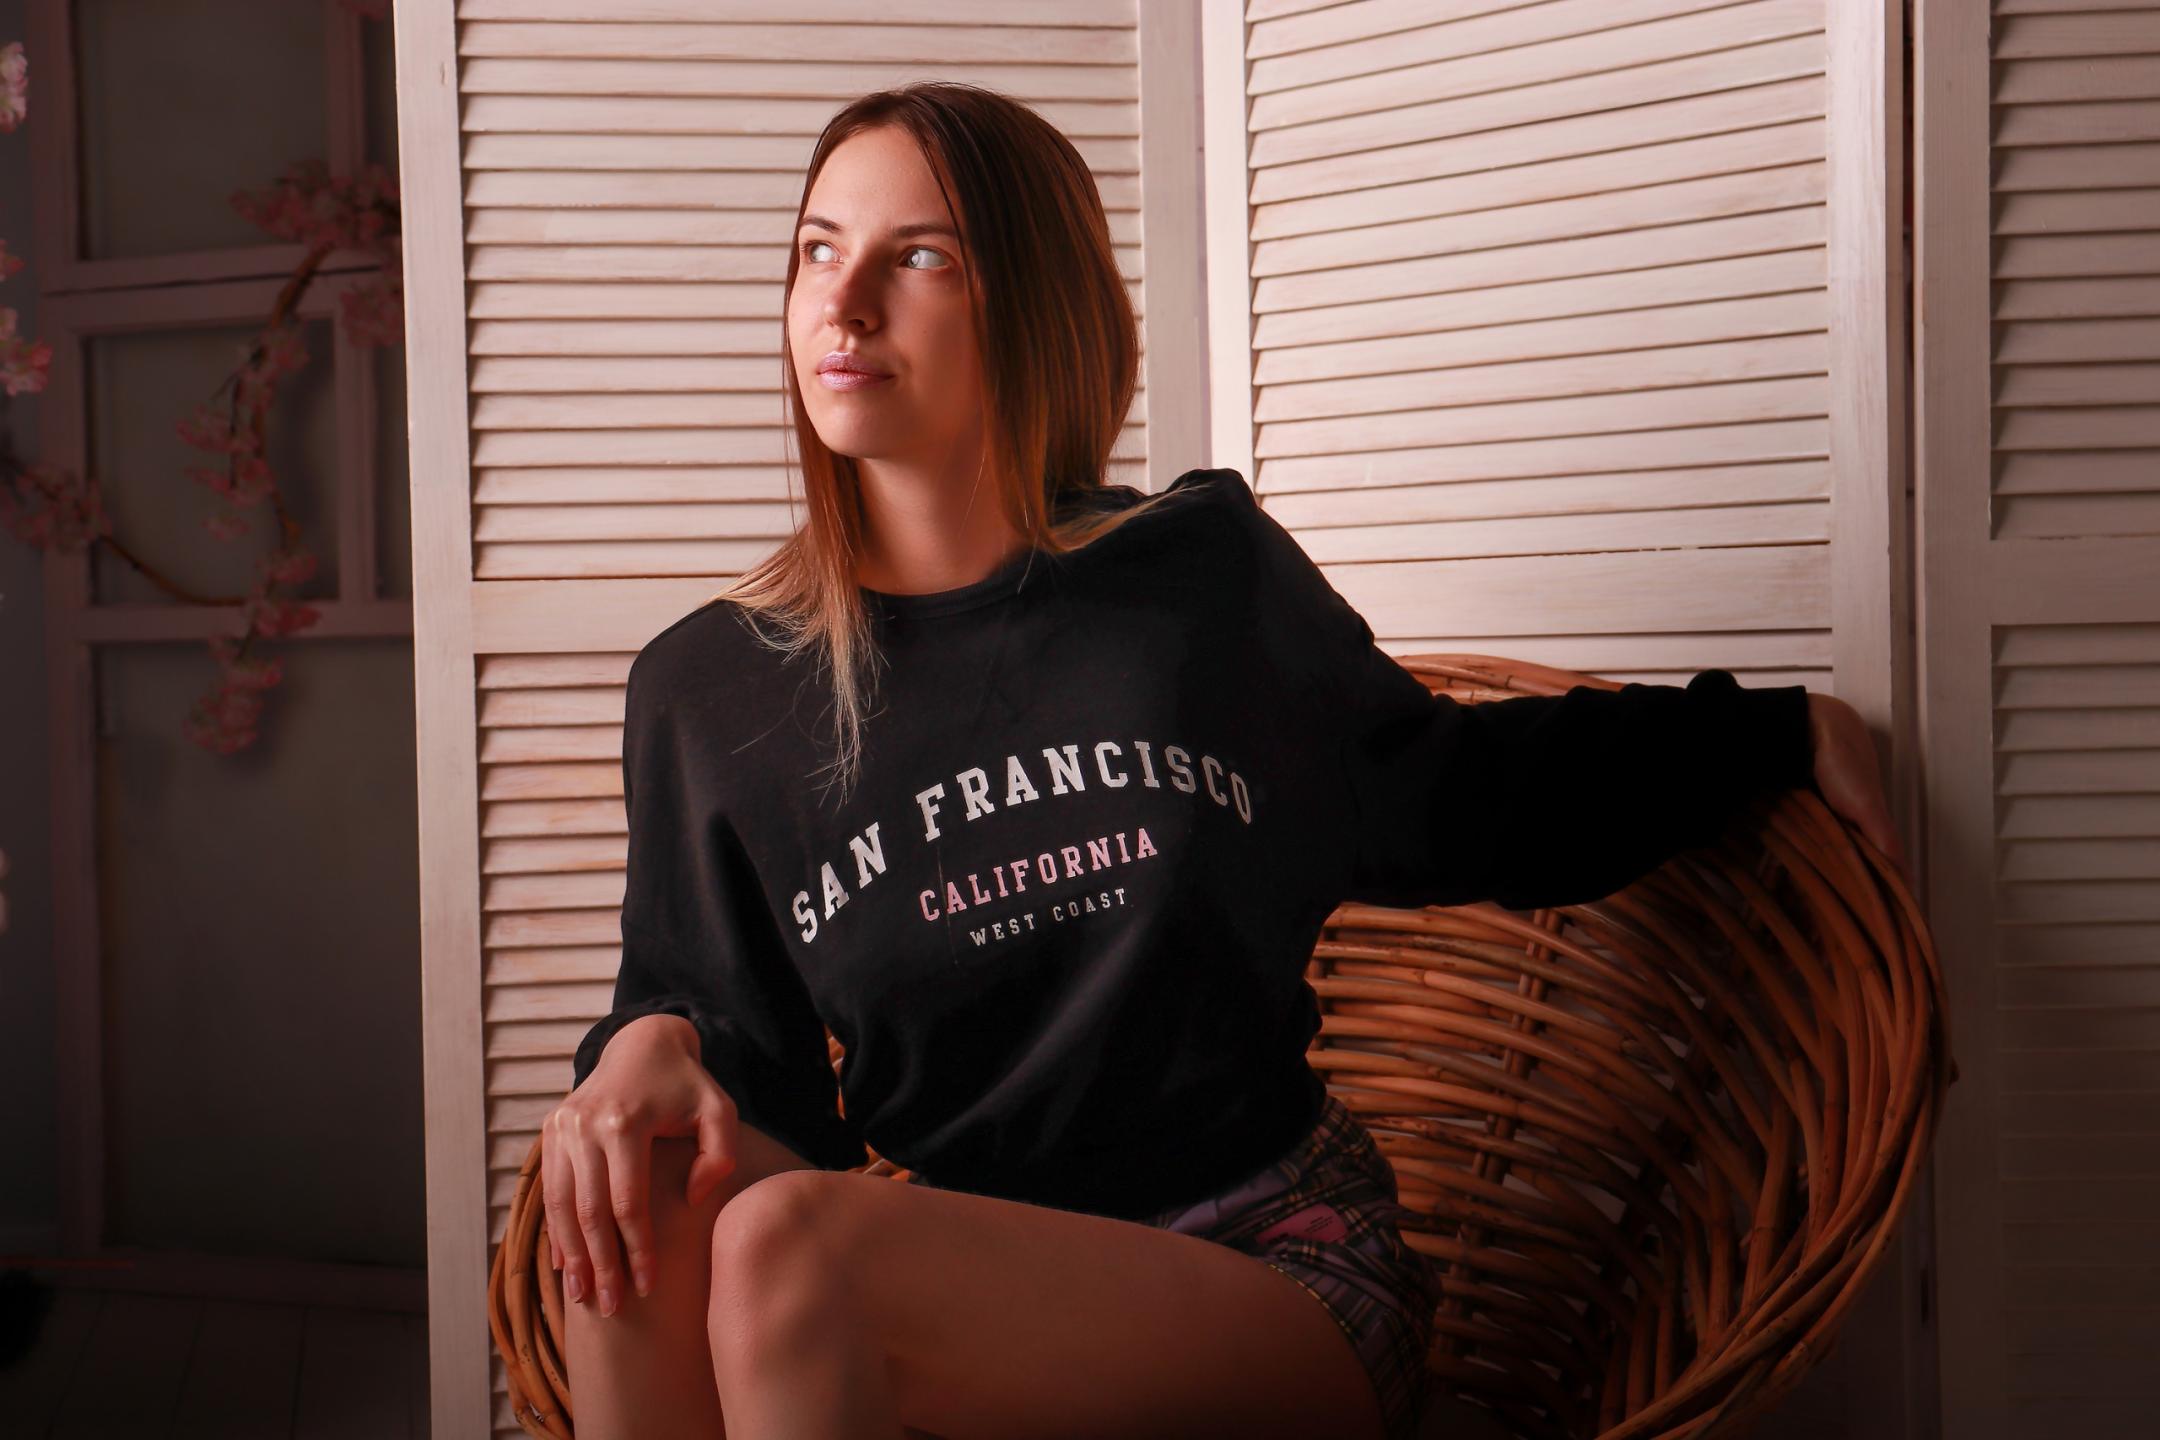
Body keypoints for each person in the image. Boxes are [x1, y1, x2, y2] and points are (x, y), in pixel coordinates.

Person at [539, 82, 1904, 1440]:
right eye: (818, 250)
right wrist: (643, 1043)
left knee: (792, 1248)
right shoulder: (711, 690)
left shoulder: (1194, 585)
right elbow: (737, 1062)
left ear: (1036, 305)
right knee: (623, 1184)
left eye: (922, 258)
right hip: (963, 1291)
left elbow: (1453, 789)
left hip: (1271, 1259)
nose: (842, 307)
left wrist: (1766, 732)